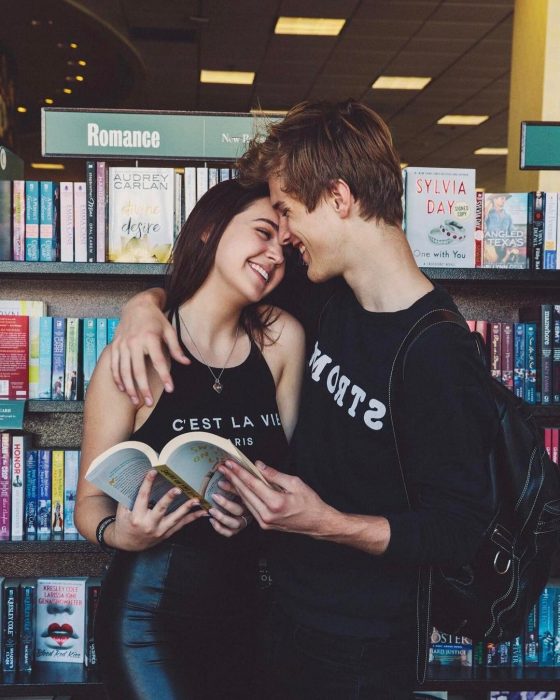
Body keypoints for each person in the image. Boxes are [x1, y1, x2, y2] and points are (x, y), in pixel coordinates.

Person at [110, 100, 498, 699]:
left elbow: (457, 530)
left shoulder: (439, 351)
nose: (284, 236)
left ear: (339, 198)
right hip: (282, 621)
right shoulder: (325, 297)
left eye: (288, 212)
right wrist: (142, 309)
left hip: (366, 649)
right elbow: (216, 275)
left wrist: (328, 524)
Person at [75, 178, 305, 700]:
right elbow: (87, 503)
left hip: (250, 614)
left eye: (284, 248)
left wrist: (257, 509)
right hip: (146, 618)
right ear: (207, 230)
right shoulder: (132, 357)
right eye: (263, 233)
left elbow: (292, 479)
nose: (274, 255)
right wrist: (121, 534)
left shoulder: (282, 339)